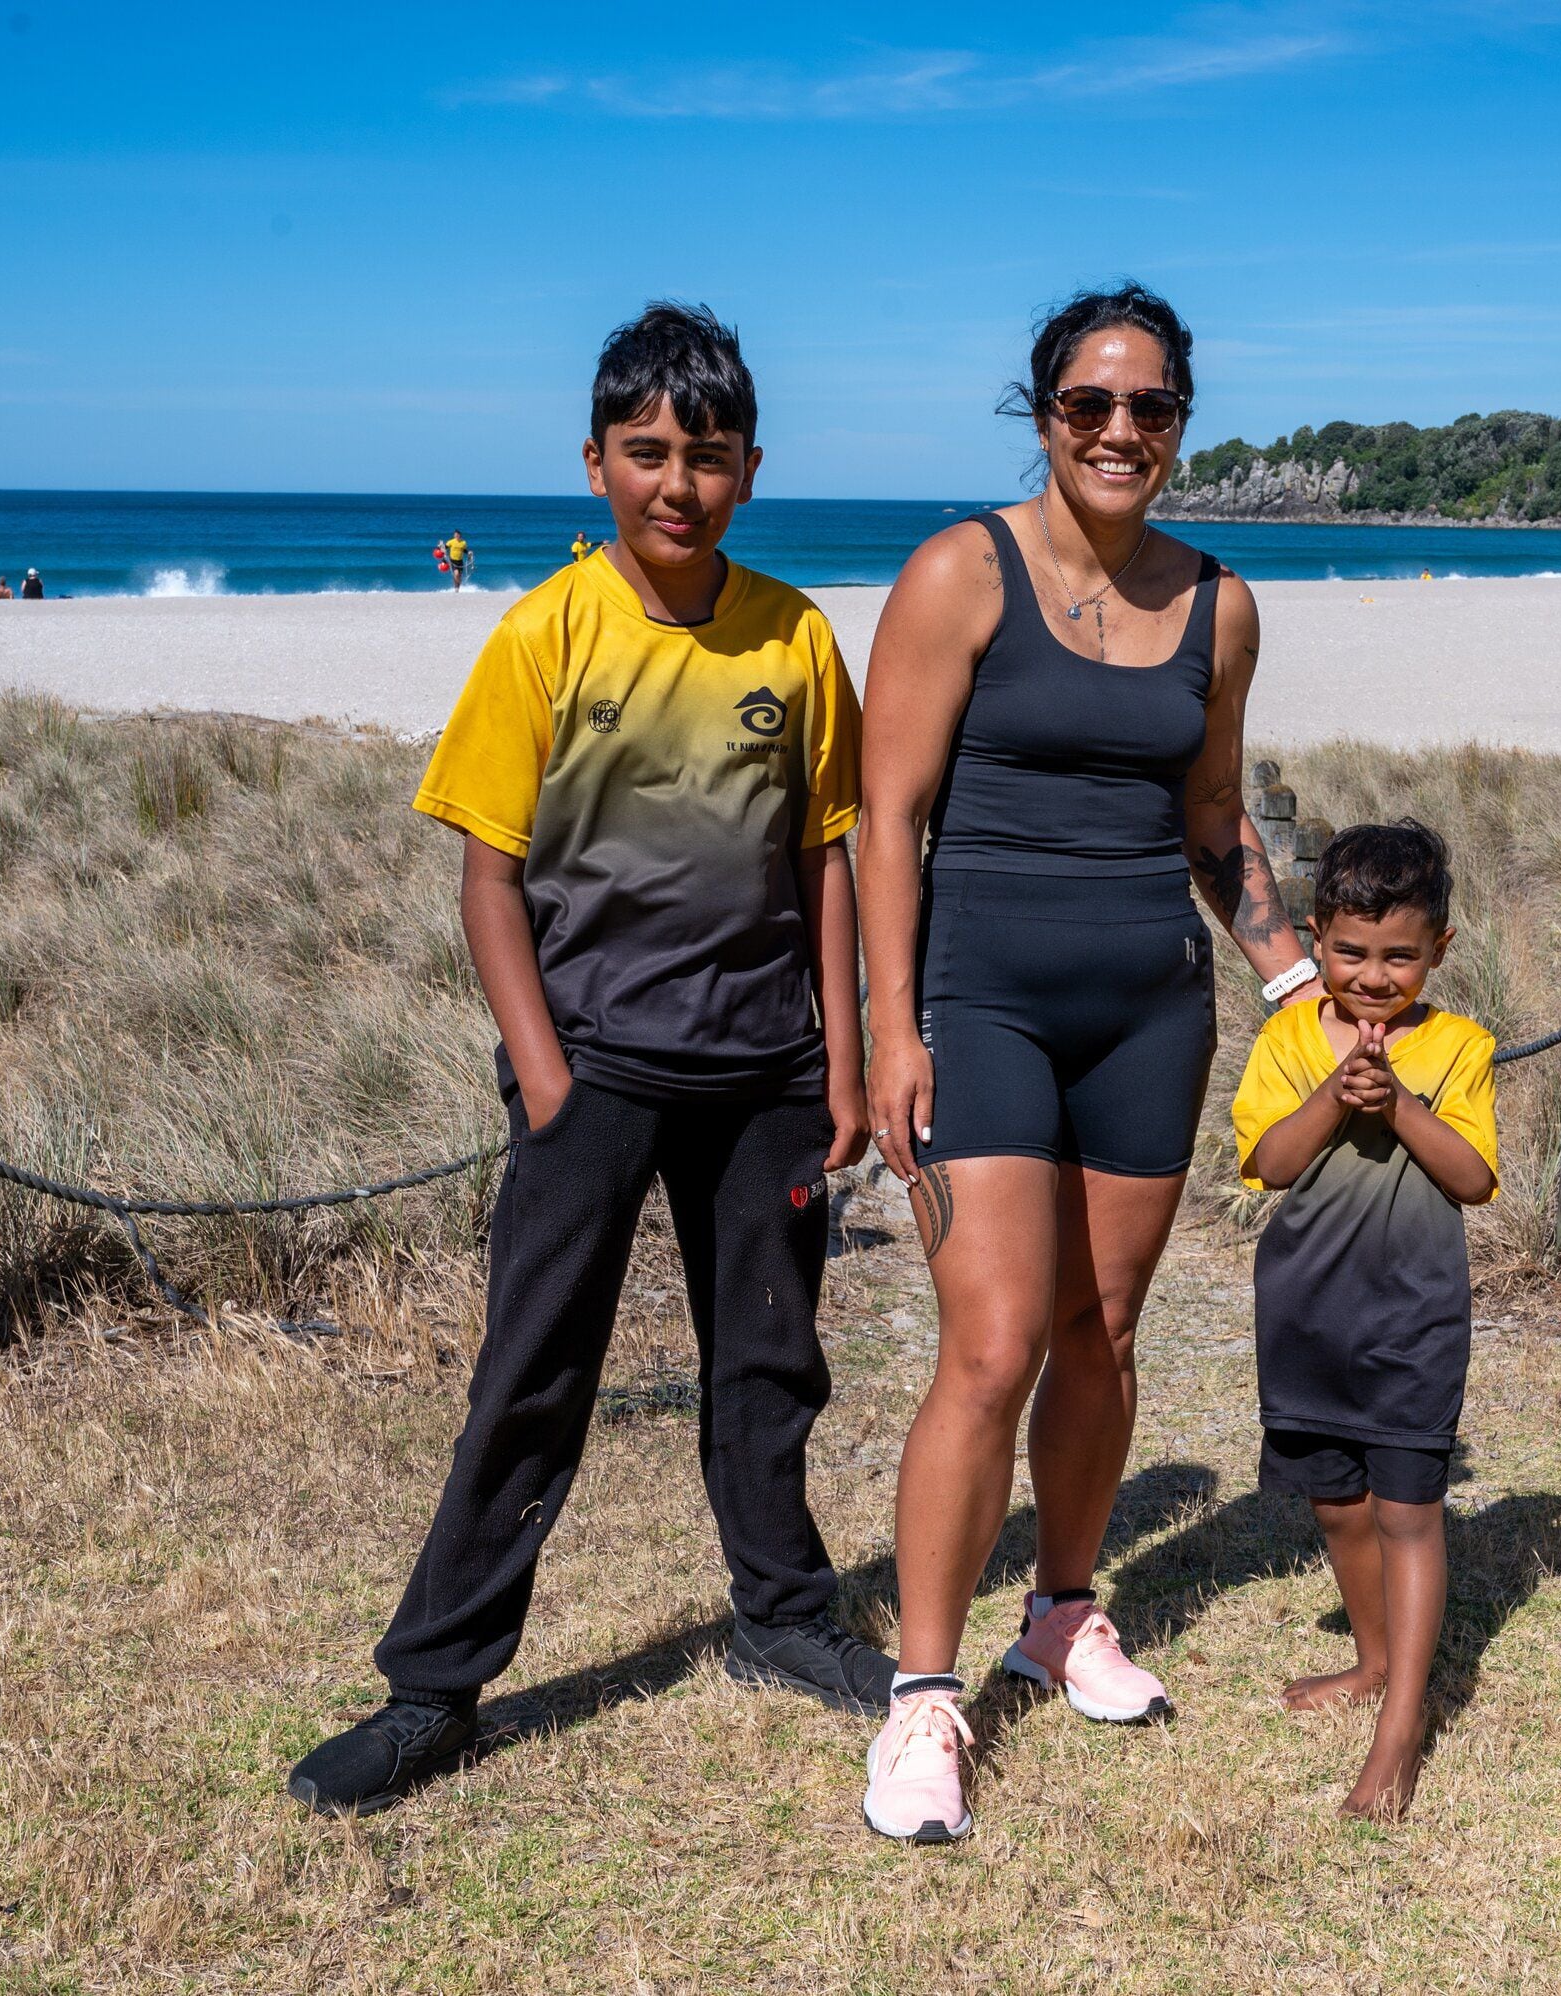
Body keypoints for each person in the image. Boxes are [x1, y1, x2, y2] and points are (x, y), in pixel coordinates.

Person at [285, 301, 890, 1819]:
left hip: (766, 1070)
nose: (678, 484)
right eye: (648, 452)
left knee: (771, 1358)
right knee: (534, 1371)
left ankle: (783, 1617)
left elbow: (826, 856)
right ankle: (433, 1688)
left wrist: (844, 1058)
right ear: (596, 460)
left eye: (708, 456)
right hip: (598, 1068)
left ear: (751, 469)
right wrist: (547, 1077)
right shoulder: (544, 632)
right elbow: (488, 877)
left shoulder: (797, 637)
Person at [854, 283, 1313, 1844]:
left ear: (1182, 421)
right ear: (1043, 413)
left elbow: (1213, 819)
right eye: (1089, 404)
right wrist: (893, 1028)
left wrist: (1293, 978)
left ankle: (1059, 1613)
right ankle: (924, 1701)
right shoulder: (958, 573)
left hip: (1148, 1013)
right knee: (992, 1348)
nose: (1121, 430)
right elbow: (886, 820)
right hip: (981, 1004)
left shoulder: (1221, 606)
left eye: (1151, 405)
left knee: (1101, 1330)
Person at [1231, 821, 1497, 1823]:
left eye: (1399, 955)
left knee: (1407, 1511)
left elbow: (1472, 1179)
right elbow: (1271, 1163)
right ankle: (1375, 1661)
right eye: (1351, 952)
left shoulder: (1460, 1047)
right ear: (1316, 939)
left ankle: (1401, 1727)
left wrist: (1401, 1107)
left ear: (1440, 949)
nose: (1375, 976)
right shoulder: (1288, 1041)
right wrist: (1333, 1098)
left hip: (1413, 1316)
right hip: (1308, 1312)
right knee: (1339, 1503)